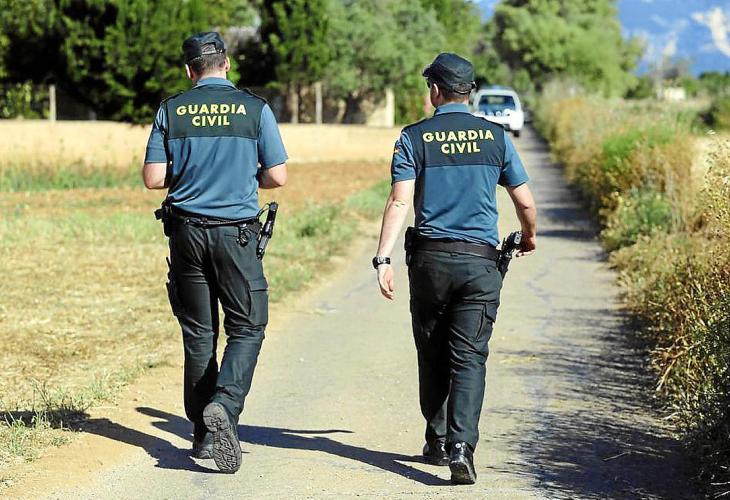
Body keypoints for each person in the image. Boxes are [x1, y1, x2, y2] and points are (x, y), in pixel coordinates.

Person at [373, 52, 537, 485]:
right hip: (480, 264)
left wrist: (383, 257)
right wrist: (529, 235)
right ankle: (461, 448)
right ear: (470, 92)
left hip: (430, 262)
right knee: (469, 357)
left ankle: (439, 438)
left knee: (432, 351)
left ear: (435, 90)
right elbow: (524, 202)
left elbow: (400, 201)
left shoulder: (413, 137)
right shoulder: (496, 137)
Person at [142, 32, 287, 473]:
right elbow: (277, 176)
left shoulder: (171, 109)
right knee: (248, 325)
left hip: (185, 235)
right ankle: (224, 403)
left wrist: (188, 175)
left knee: (199, 334)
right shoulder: (255, 108)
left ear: (189, 70)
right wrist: (245, 175)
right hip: (236, 237)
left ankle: (203, 436)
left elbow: (153, 178)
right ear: (227, 64)